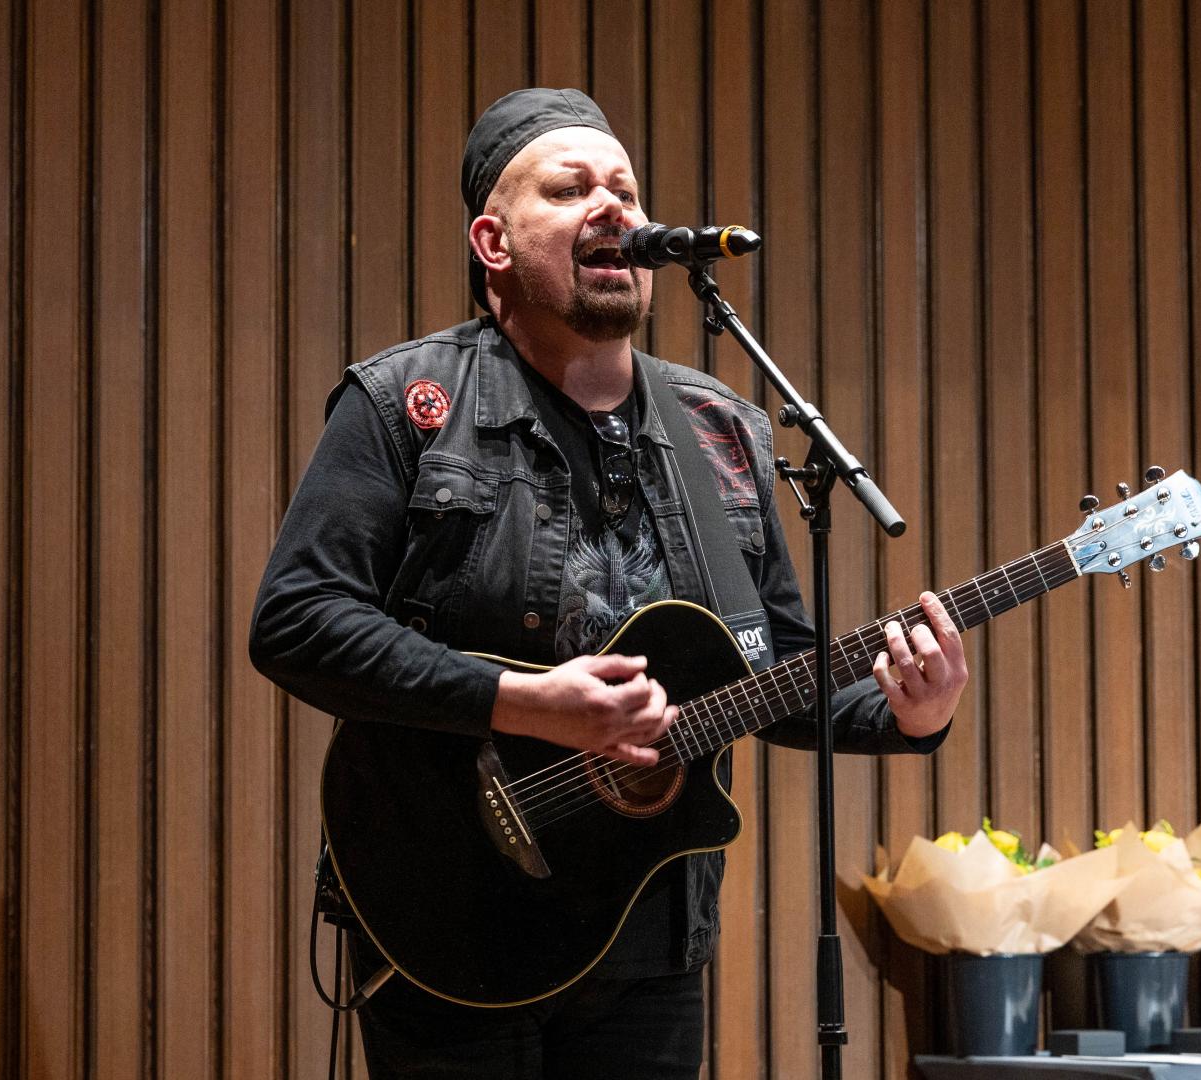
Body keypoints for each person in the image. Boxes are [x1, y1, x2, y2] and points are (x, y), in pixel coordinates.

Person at [249, 87, 968, 1079]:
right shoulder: (403, 404)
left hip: (649, 933)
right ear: (493, 242)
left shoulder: (725, 431)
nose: (613, 206)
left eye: (625, 188)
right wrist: (523, 704)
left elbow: (774, 666)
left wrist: (909, 714)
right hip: (451, 903)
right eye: (571, 186)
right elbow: (295, 620)